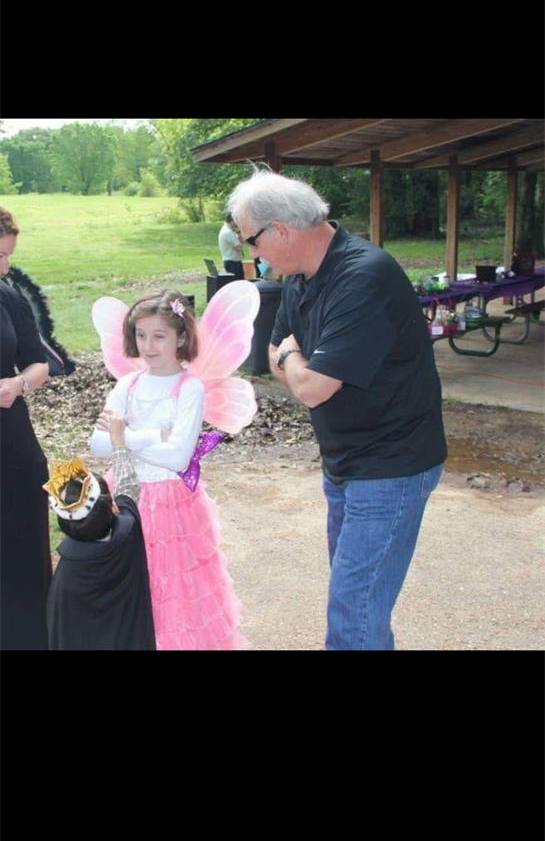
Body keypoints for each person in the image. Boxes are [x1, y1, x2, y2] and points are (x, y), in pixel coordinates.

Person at [229, 171, 447, 651]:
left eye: (252, 241)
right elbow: (272, 350)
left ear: (281, 230)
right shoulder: (301, 278)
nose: (253, 255)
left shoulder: (363, 276)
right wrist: (293, 361)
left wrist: (293, 358)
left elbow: (311, 388)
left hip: (392, 465)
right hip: (345, 462)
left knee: (354, 611)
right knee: (359, 602)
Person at [90, 290, 248, 650]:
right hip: (126, 497)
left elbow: (178, 457)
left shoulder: (189, 388)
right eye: (141, 335)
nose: (148, 345)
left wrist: (123, 437)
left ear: (180, 337)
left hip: (172, 506)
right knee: (129, 586)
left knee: (174, 591)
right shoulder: (127, 385)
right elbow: (97, 446)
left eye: (159, 335)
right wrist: (151, 436)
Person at [45, 419, 156, 651]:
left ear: (65, 524)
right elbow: (128, 486)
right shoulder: (128, 533)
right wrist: (118, 441)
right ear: (114, 508)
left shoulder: (66, 580)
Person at [0, 207, 51, 651]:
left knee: (22, 547)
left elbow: (40, 362)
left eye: (8, 257)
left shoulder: (8, 293)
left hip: (12, 444)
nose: (5, 267)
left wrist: (19, 383)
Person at [218, 213, 245, 279]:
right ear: (232, 221)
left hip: (233, 261)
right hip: (233, 263)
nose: (237, 223)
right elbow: (239, 247)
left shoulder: (228, 230)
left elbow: (240, 242)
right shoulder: (228, 232)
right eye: (237, 221)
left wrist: (239, 233)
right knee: (238, 284)